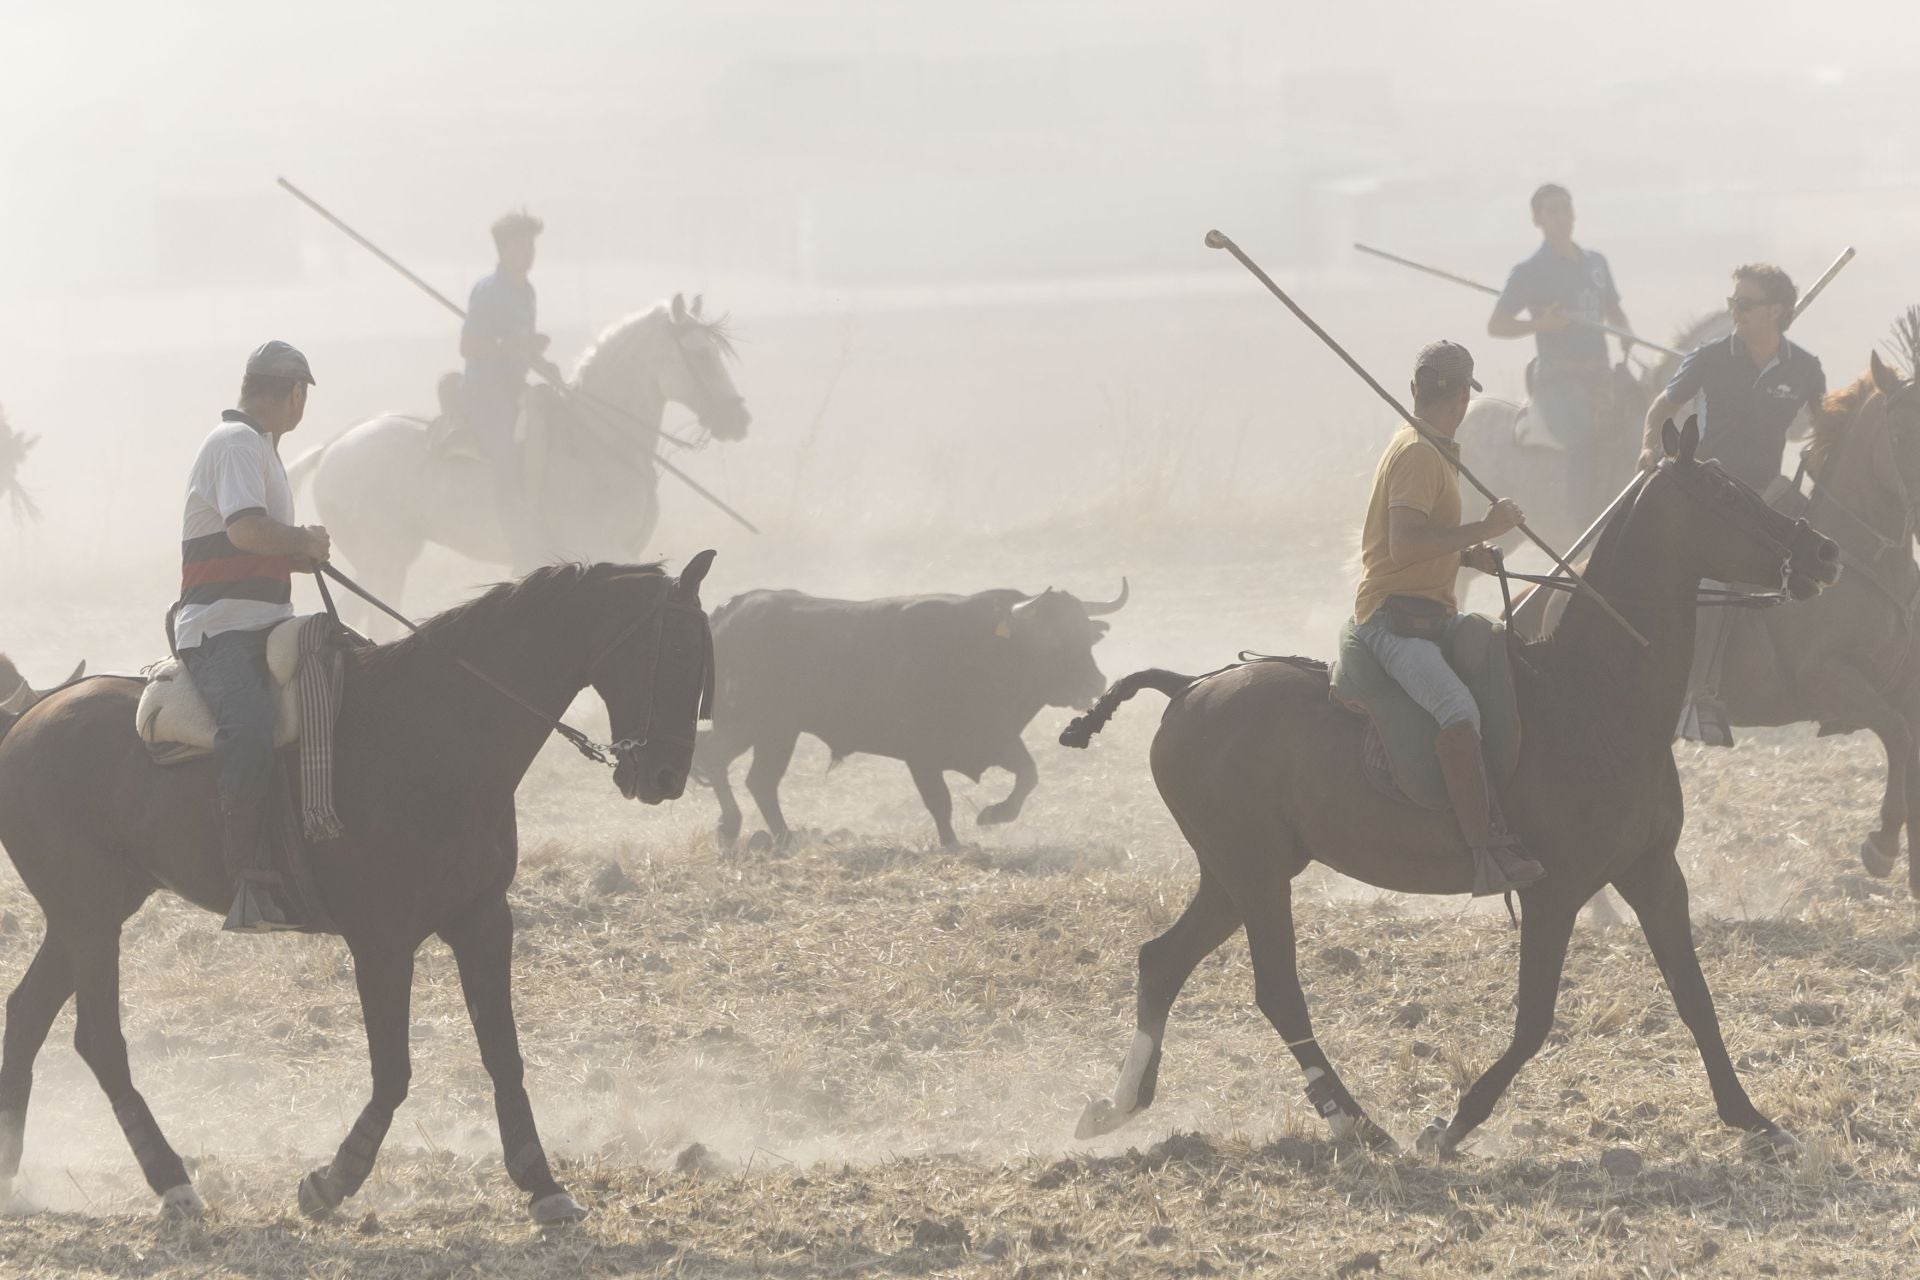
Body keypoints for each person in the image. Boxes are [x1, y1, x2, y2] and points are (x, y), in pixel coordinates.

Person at [1351, 341, 1545, 895]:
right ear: (1462, 397)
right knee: (1458, 710)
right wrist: (1485, 529)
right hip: (1393, 620)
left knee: (1504, 654)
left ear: (1415, 389)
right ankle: (1484, 853)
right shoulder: (1419, 455)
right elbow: (1404, 546)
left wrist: (1465, 557)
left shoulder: (1426, 447)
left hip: (1429, 611)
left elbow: (1419, 543)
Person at [175, 341, 330, 932]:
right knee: (249, 729)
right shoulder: (237, 443)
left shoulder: (257, 448)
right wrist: (301, 541)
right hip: (221, 629)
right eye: (302, 396)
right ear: (295, 394)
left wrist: (298, 555)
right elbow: (244, 530)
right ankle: (246, 881)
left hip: (264, 624)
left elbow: (251, 547)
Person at [1638, 263, 1826, 746]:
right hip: (1712, 494)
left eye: (1745, 304)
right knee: (1717, 575)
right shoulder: (1709, 357)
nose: (1735, 312)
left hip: (1769, 493)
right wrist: (1649, 446)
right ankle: (1697, 695)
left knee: (1825, 549)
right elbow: (1662, 407)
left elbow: (1825, 428)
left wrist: (1818, 452)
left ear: (1776, 311)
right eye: (1733, 302)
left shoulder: (1805, 368)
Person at [1487, 184, 1636, 518]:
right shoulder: (1528, 271)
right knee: (1583, 439)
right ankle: (1582, 522)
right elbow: (1497, 325)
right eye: (1552, 210)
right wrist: (1540, 324)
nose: (1561, 217)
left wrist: (1625, 330)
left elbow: (1613, 308)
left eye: (1565, 208)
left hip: (1601, 374)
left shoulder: (1596, 262)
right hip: (1558, 379)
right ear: (1537, 219)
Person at [460, 209, 560, 569]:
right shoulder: (488, 291)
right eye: (520, 245)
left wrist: (542, 363)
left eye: (531, 245)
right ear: (503, 249)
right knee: (506, 458)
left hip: (516, 388)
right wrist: (511, 346)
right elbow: (469, 345)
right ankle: (518, 546)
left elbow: (523, 349)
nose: (528, 252)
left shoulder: (527, 291)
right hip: (486, 394)